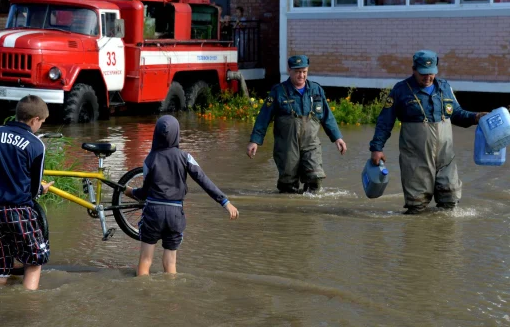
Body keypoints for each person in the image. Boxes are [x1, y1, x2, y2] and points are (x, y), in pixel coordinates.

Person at [369, 50, 487, 214]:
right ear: (413, 69)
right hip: (416, 158)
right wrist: (377, 148)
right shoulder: (401, 90)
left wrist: (476, 117)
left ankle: (441, 239)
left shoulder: (445, 87)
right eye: (423, 73)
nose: (427, 77)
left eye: (431, 73)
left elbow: (457, 114)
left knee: (450, 201)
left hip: (445, 156)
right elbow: (384, 122)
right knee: (416, 205)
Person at [124, 115, 239, 276]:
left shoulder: (150, 159)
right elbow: (204, 181)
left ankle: (144, 296)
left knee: (145, 260)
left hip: (154, 212)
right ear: (177, 134)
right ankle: (171, 297)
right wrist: (225, 202)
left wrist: (130, 192)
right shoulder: (186, 158)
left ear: (155, 134)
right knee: (170, 262)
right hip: (175, 213)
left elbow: (144, 192)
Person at [0, 95, 54, 290]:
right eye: (42, 122)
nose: (40, 126)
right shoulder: (36, 144)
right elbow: (34, 188)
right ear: (35, 119)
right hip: (17, 209)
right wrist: (41, 189)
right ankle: (28, 308)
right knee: (35, 259)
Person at [247, 55, 347, 194]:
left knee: (315, 178)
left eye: (304, 71)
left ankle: (309, 209)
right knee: (288, 184)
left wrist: (337, 138)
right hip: (287, 146)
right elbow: (263, 118)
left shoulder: (316, 90)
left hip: (310, 144)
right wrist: (255, 141)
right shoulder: (278, 92)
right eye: (298, 72)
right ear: (289, 70)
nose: (301, 75)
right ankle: (289, 210)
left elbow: (327, 117)